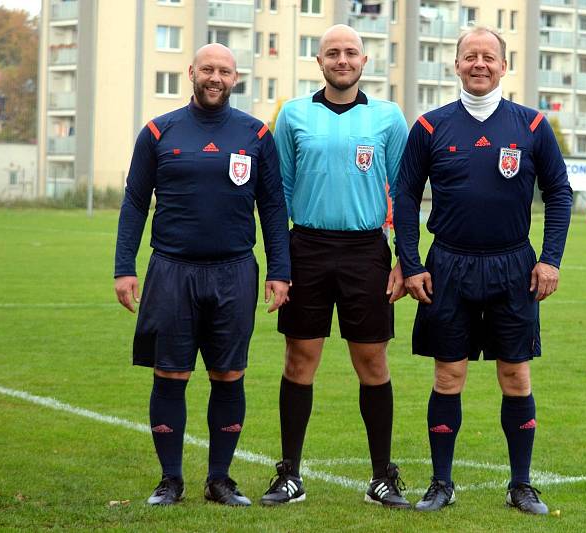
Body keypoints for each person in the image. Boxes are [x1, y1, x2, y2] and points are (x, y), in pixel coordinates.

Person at [393, 27, 573, 514]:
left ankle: (520, 485)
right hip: (448, 264)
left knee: (515, 375)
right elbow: (405, 197)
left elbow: (559, 193)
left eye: (488, 57)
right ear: (455, 65)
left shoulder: (532, 126)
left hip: (513, 266)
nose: (479, 64)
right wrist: (410, 263)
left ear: (503, 66)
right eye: (469, 56)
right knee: (448, 375)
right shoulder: (430, 127)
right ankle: (441, 483)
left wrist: (550, 258)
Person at [114, 43, 290, 507]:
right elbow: (134, 203)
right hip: (171, 270)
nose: (215, 77)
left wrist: (280, 271)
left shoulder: (256, 134)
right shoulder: (158, 131)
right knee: (170, 374)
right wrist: (123, 268)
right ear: (192, 72)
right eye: (207, 69)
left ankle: (220, 480)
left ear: (236, 78)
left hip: (234, 271)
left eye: (224, 71)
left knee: (229, 374)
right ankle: (170, 479)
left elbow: (272, 207)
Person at [260, 24, 410, 508]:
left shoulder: (388, 118)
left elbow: (404, 195)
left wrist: (404, 260)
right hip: (307, 249)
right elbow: (278, 193)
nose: (342, 60)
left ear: (364, 62)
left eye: (351, 53)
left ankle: (382, 476)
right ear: (319, 62)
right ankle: (290, 474)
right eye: (332, 53)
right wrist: (279, 265)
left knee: (372, 361)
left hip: (367, 250)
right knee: (300, 360)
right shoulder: (294, 116)